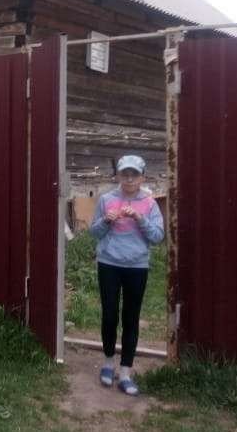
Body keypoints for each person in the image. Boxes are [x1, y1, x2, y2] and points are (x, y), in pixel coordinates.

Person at [88, 154, 165, 396]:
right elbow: (94, 232)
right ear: (118, 176)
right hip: (109, 263)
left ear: (142, 177)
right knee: (110, 315)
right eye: (125, 174)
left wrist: (140, 218)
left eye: (134, 175)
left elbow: (157, 237)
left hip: (137, 266)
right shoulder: (107, 199)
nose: (129, 179)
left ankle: (125, 373)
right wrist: (105, 220)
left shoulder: (150, 204)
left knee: (131, 317)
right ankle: (108, 363)